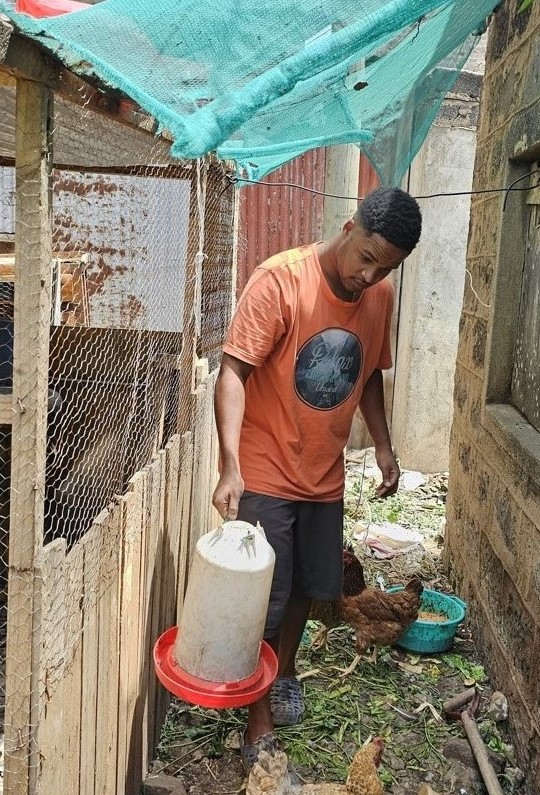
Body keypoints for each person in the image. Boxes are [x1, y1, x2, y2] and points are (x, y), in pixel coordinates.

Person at [212, 186, 422, 766]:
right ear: (350, 226)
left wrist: (383, 445)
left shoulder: (377, 297)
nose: (370, 275)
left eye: (387, 268)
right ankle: (256, 723)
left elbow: (370, 373)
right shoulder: (279, 282)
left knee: (307, 587)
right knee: (266, 601)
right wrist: (231, 465)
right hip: (266, 468)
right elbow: (231, 372)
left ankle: (286, 673)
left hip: (324, 475)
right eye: (367, 257)